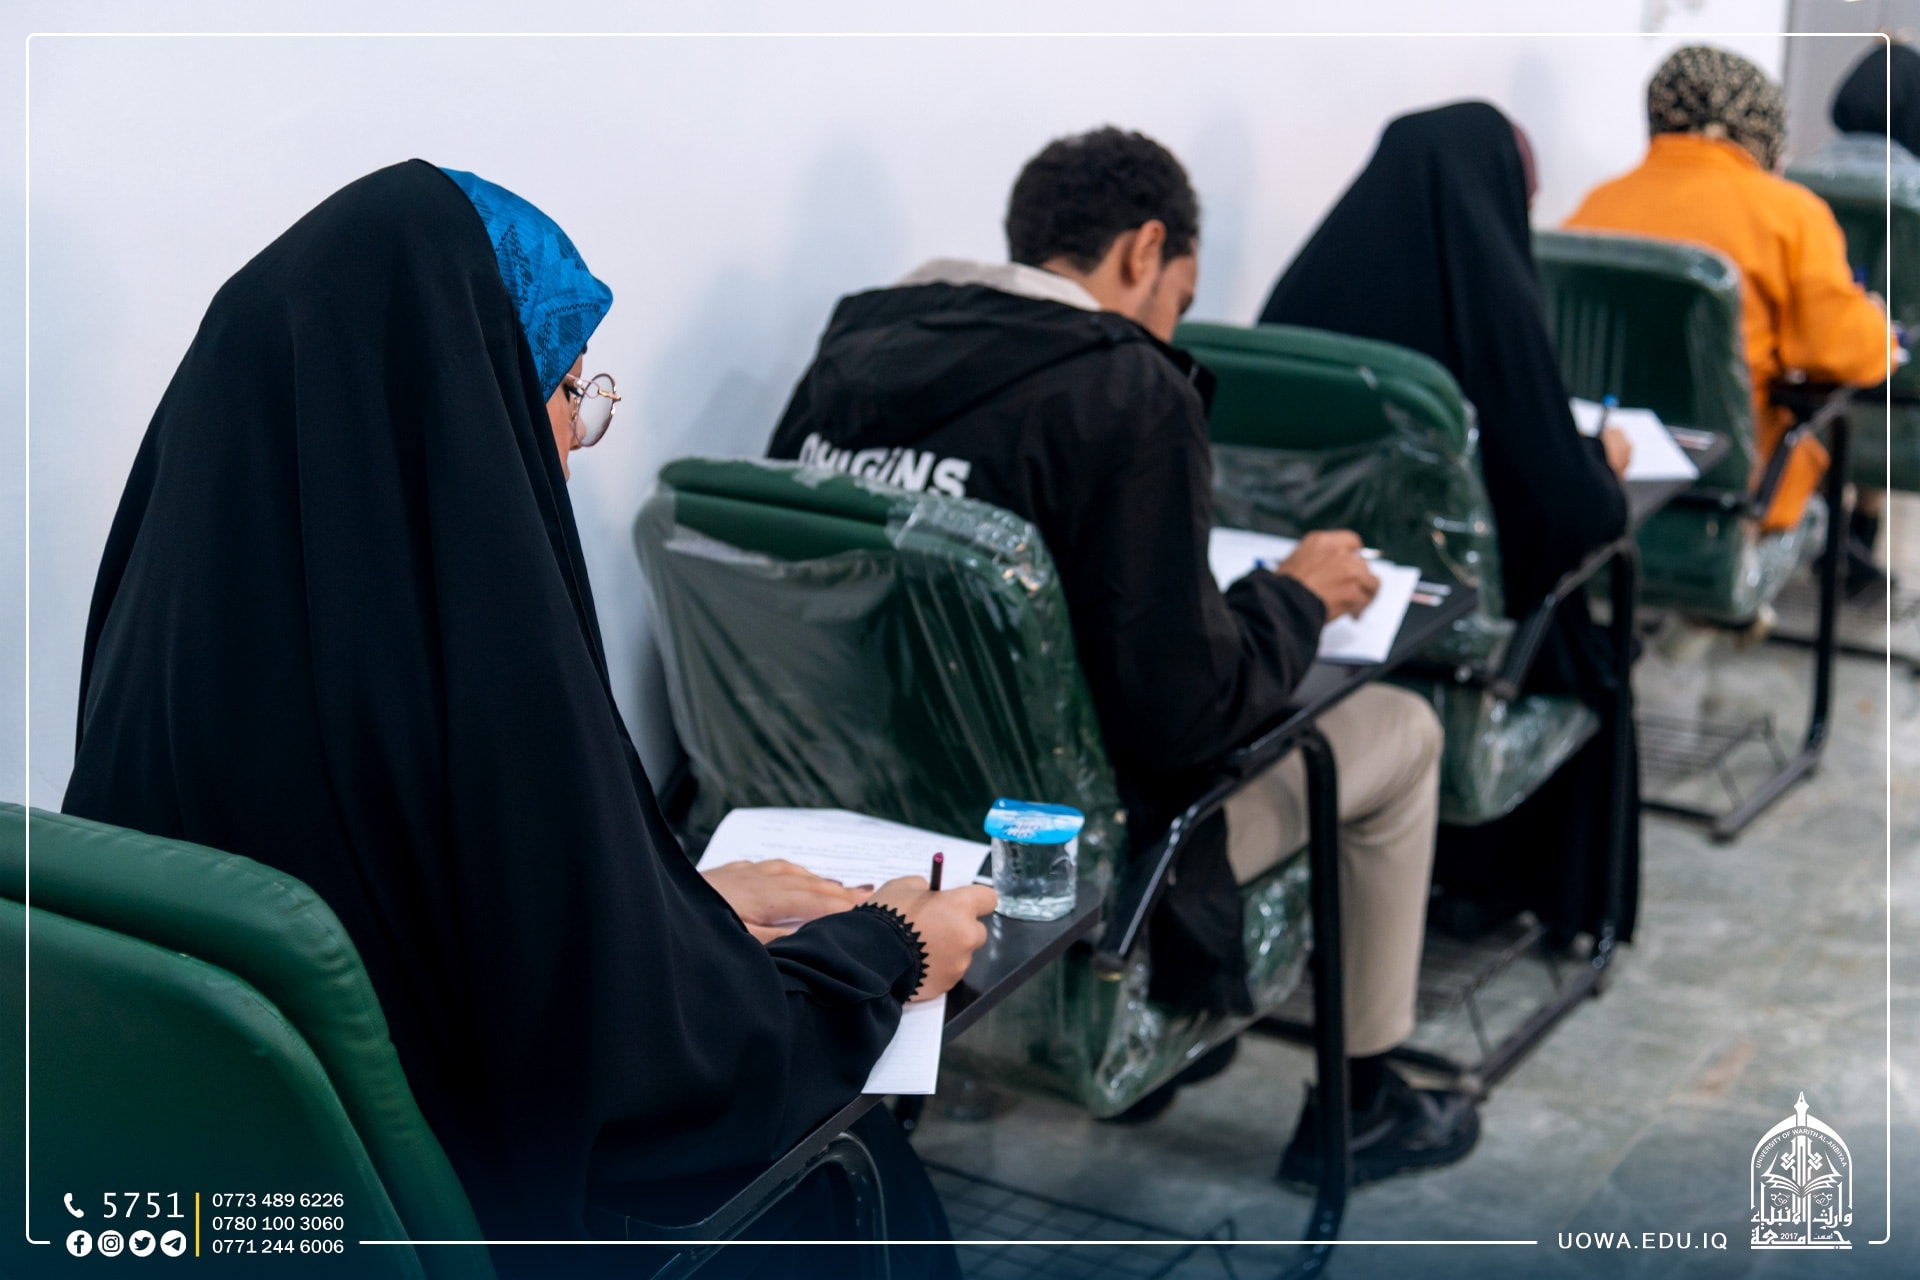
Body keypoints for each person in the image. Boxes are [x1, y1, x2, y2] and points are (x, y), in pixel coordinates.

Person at [60, 160, 996, 1279]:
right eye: (565, 391)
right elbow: (656, 1091)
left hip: (237, 1224)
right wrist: (884, 950)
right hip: (490, 1223)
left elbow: (448, 936)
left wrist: (676, 910)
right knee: (864, 1160)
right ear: (462, 409)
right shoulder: (475, 663)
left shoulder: (166, 629)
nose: (569, 442)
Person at [768, 127, 1478, 1189]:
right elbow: (1186, 718)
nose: (1169, 324)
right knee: (1402, 729)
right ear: (1146, 250)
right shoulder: (1127, 389)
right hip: (1077, 863)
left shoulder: (856, 346)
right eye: (1178, 298)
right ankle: (1366, 1099)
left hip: (866, 812)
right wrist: (1295, 596)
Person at [1258, 101, 1641, 951]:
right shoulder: (1491, 314)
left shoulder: (1295, 305)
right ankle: (1525, 900)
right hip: (1472, 661)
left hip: (1313, 648)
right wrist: (1601, 467)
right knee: (1593, 640)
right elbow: (1570, 514)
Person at [1565, 45, 1898, 538]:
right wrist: (1876, 323)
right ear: (1762, 123)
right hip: (1732, 499)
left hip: (1607, 480)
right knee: (1815, 507)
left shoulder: (1593, 205)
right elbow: (1848, 353)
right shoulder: (1790, 215)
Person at [1790, 41, 1920, 593]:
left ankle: (1838, 530)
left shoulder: (1794, 185)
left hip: (1806, 388)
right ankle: (1861, 530)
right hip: (1902, 394)